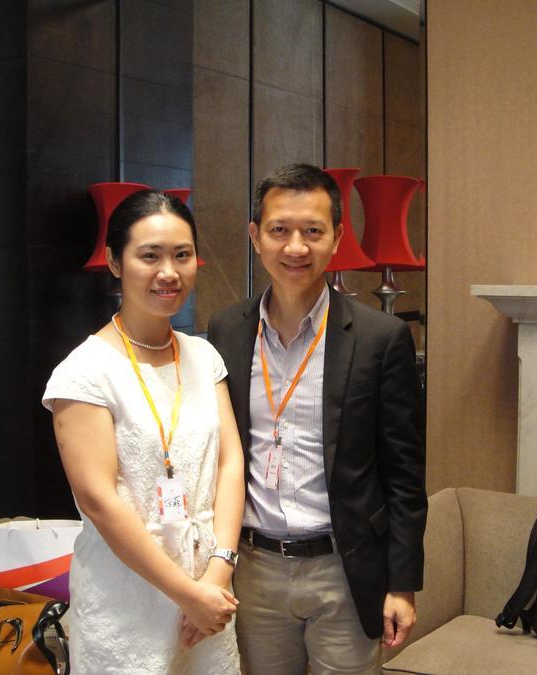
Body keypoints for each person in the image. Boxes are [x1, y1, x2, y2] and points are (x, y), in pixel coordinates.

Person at [207, 164, 427, 674]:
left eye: (313, 231)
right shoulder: (227, 330)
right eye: (279, 230)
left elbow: (404, 474)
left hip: (343, 567)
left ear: (337, 237)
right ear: (254, 236)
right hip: (254, 568)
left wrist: (402, 583)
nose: (295, 247)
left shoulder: (380, 338)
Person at [43, 190, 244, 674]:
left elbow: (229, 463)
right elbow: (98, 500)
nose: (169, 272)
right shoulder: (85, 372)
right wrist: (187, 594)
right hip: (126, 595)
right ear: (115, 261)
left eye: (182, 255)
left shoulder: (203, 356)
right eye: (149, 256)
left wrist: (219, 572)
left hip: (208, 585)